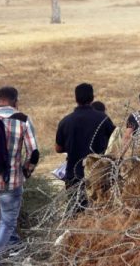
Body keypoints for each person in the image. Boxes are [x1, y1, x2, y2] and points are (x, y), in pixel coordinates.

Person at [0, 86, 40, 257]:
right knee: (8, 223)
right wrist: (27, 171)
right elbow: (34, 153)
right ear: (16, 102)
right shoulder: (22, 120)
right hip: (11, 181)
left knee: (6, 218)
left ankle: (14, 246)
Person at [55, 83, 115, 212]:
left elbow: (58, 148)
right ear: (92, 97)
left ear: (76, 99)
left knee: (76, 213)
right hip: (98, 173)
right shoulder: (103, 118)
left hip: (74, 174)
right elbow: (114, 140)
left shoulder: (66, 121)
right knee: (99, 211)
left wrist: (72, 145)